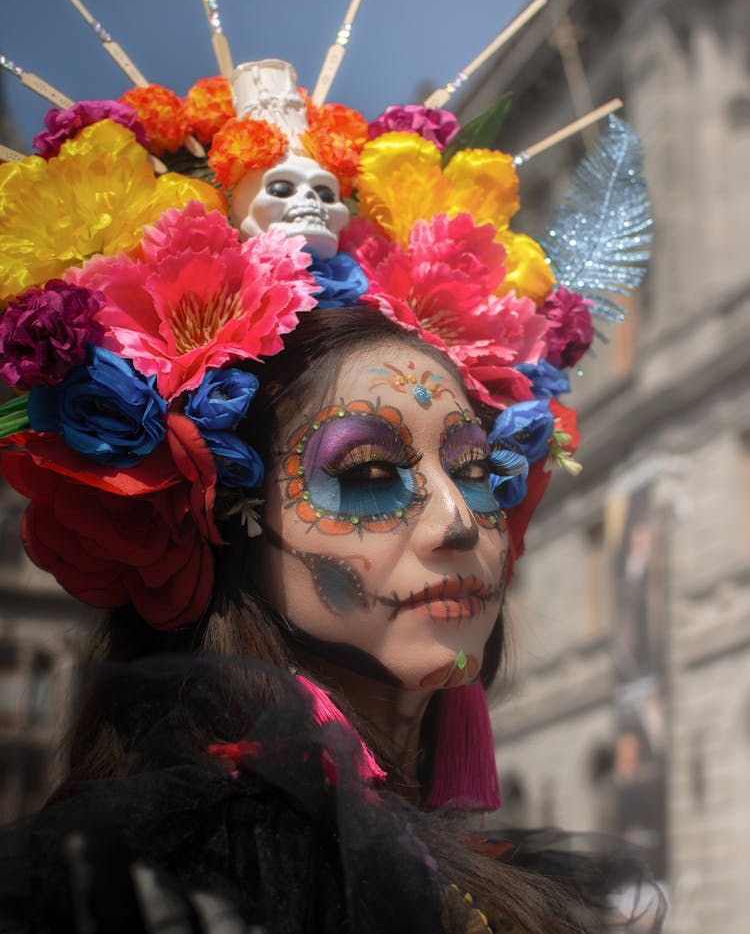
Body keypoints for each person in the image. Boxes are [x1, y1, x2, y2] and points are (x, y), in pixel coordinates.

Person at [0, 53, 661, 934]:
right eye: (369, 475)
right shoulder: (173, 885)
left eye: (477, 469)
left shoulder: (481, 870)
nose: (461, 521)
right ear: (226, 518)